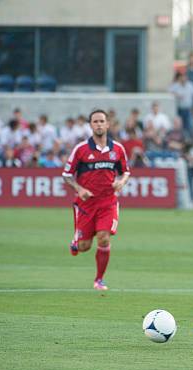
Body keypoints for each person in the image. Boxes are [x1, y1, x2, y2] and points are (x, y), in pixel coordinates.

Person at [62, 109, 130, 291]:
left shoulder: (118, 149)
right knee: (84, 247)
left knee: (104, 238)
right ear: (90, 125)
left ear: (107, 124)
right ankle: (77, 240)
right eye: (95, 121)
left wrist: (121, 182)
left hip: (108, 202)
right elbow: (66, 175)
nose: (99, 124)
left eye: (102, 121)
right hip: (86, 204)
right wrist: (79, 188)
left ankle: (99, 280)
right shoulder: (81, 149)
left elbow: (126, 171)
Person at [168, 72, 193, 138]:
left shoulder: (190, 85)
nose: (183, 79)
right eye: (182, 77)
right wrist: (176, 94)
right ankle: (182, 139)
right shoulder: (176, 85)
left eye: (184, 77)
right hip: (179, 109)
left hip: (188, 109)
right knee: (179, 126)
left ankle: (190, 139)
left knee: (189, 125)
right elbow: (169, 91)